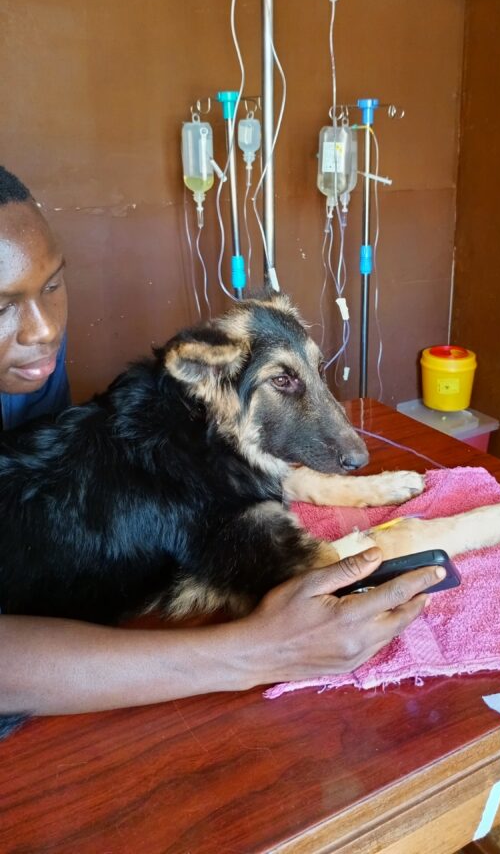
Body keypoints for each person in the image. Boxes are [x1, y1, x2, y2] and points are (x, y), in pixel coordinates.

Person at [0, 166, 442, 734]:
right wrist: (253, 652)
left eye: (53, 285)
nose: (42, 330)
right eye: (2, 304)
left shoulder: (28, 363)